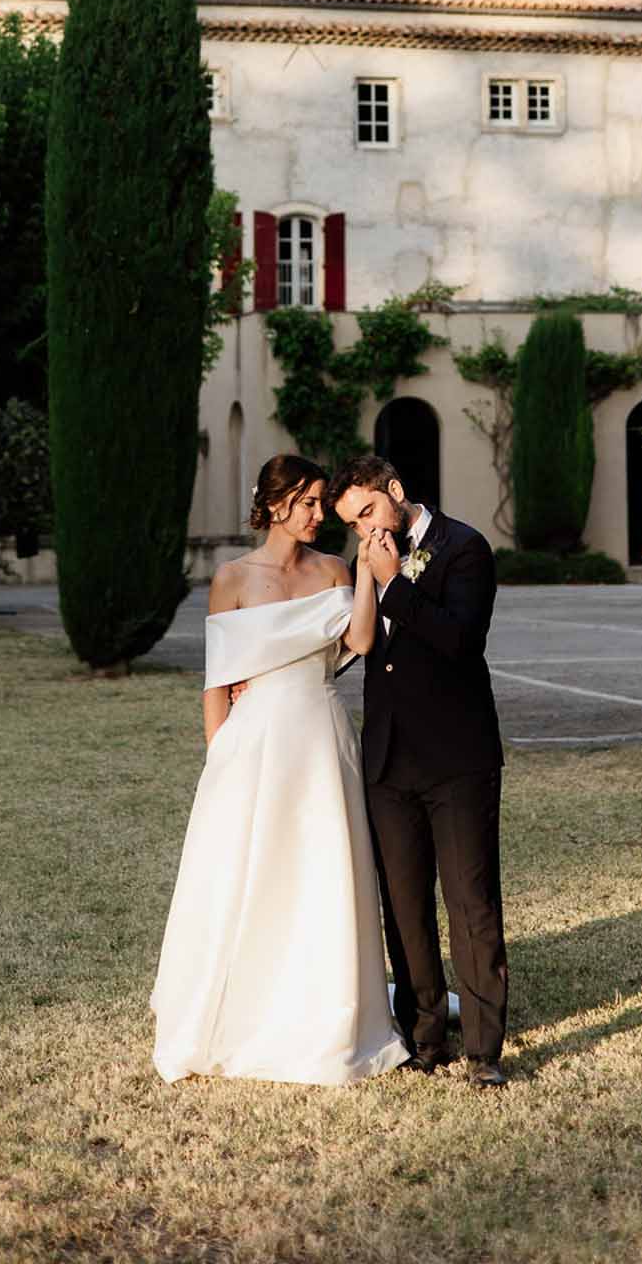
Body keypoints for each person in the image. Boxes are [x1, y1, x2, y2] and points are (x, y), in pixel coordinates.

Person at [151, 454, 409, 1085]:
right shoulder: (233, 579)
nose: (320, 515)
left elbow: (362, 643)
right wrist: (220, 758)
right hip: (254, 739)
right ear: (275, 506)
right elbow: (217, 680)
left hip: (320, 735)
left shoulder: (332, 569)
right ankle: (240, 1010)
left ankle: (325, 1015)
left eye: (323, 502)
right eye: (310, 503)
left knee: (323, 868)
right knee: (248, 868)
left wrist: (370, 577)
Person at [329, 453, 509, 1090]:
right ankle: (424, 1037)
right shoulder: (366, 563)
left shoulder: (465, 548)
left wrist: (394, 581)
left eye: (369, 511)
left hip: (458, 758)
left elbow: (460, 641)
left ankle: (485, 1049)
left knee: (471, 903)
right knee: (404, 906)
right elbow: (357, 648)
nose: (365, 530)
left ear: (396, 491)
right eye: (352, 523)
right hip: (387, 760)